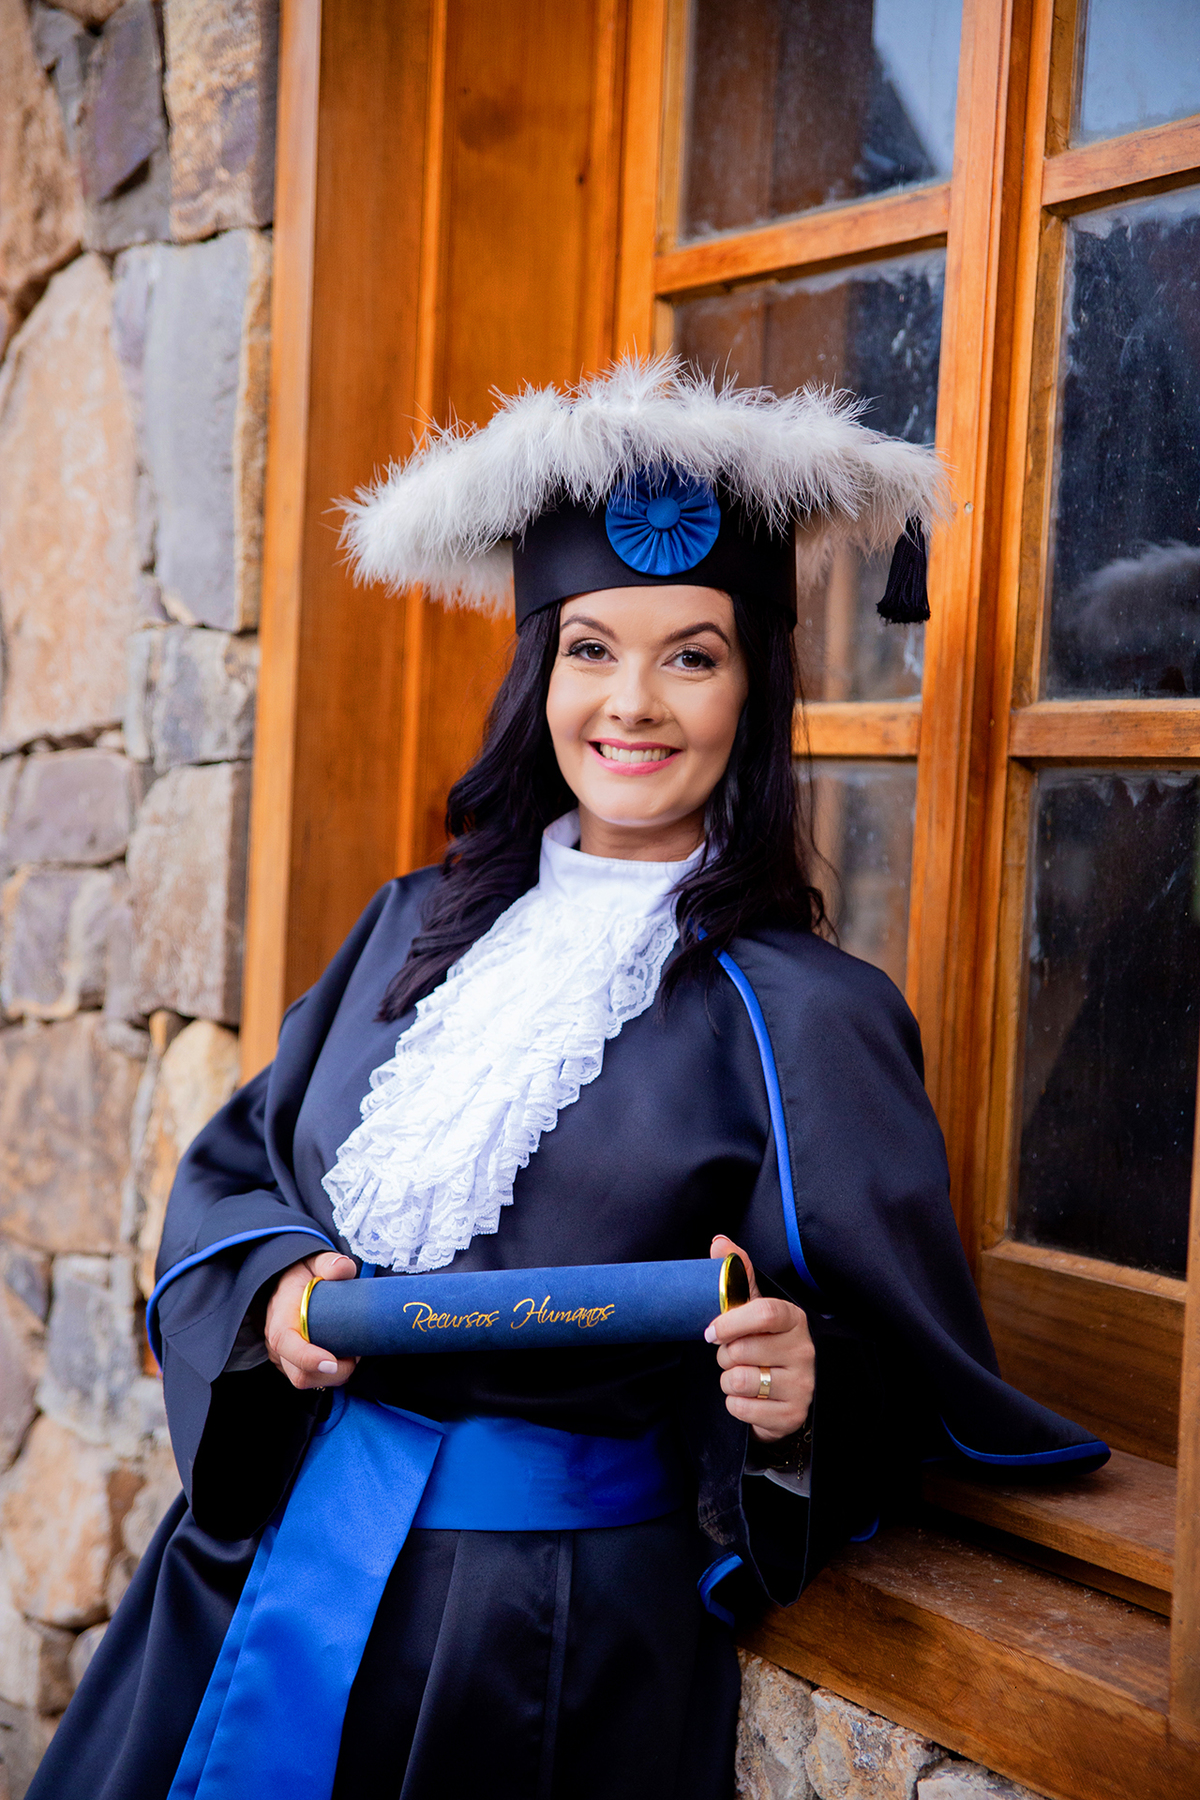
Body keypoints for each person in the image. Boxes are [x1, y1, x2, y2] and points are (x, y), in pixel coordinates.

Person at [31, 359, 1107, 1800]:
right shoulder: (405, 930)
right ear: (542, 667)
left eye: (694, 656)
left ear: (755, 684)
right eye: (592, 649)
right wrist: (280, 1285)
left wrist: (798, 1389)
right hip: (264, 1562)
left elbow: (892, 1368)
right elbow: (240, 1169)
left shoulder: (807, 1017)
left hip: (543, 1642)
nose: (634, 705)